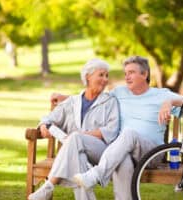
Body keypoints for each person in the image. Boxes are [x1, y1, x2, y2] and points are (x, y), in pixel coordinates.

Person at [52, 56, 183, 200]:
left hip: (151, 154)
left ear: (144, 74)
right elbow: (94, 98)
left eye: (131, 72)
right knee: (122, 160)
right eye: (125, 73)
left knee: (129, 133)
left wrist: (170, 101)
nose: (127, 77)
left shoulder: (161, 95)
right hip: (123, 152)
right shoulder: (119, 93)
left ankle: (96, 175)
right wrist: (65, 98)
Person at [28, 58, 120, 200]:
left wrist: (82, 135)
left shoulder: (110, 101)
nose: (105, 79)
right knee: (78, 158)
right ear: (88, 77)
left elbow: (112, 130)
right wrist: (42, 125)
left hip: (101, 152)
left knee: (75, 137)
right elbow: (48, 118)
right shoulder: (72, 102)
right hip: (75, 152)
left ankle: (48, 186)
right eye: (101, 75)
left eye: (107, 75)